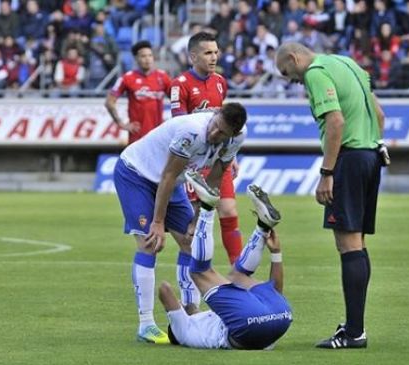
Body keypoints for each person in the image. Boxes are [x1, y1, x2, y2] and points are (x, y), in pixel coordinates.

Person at [275, 42, 386, 349]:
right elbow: (379, 112)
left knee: (347, 243)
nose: (292, 80)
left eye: (288, 72)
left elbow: (335, 122)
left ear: (294, 58)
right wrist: (375, 144)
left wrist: (327, 173)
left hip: (348, 160)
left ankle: (354, 333)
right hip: (370, 155)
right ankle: (354, 327)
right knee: (358, 243)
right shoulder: (347, 64)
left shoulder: (315, 72)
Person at [112, 103, 247, 344]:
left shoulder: (237, 138)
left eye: (222, 133)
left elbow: (215, 177)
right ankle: (146, 324)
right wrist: (158, 222)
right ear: (214, 116)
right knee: (149, 243)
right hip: (137, 174)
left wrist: (197, 219)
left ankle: (190, 310)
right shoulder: (191, 131)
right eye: (215, 127)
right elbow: (168, 175)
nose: (214, 134)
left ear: (233, 135)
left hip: (170, 182)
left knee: (190, 240)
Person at [158, 174, 292, 350]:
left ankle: (263, 227)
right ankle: (207, 207)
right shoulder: (182, 332)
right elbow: (164, 289)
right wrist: (175, 310)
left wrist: (276, 253)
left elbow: (275, 292)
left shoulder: (208, 323)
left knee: (237, 276)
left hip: (280, 318)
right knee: (199, 272)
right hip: (248, 326)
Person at [170, 32, 244, 314]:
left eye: (216, 52)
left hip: (218, 160)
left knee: (228, 210)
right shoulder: (181, 85)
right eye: (208, 53)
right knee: (193, 228)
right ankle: (190, 296)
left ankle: (239, 272)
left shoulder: (221, 83)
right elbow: (181, 127)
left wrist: (231, 155)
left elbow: (226, 124)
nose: (214, 57)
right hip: (192, 164)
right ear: (193, 56)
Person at [105, 41, 171, 145]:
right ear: (136, 58)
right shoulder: (127, 78)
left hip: (159, 134)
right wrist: (121, 124)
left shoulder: (163, 77)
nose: (148, 59)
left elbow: (178, 99)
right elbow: (109, 102)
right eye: (143, 56)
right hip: (137, 136)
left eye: (150, 55)